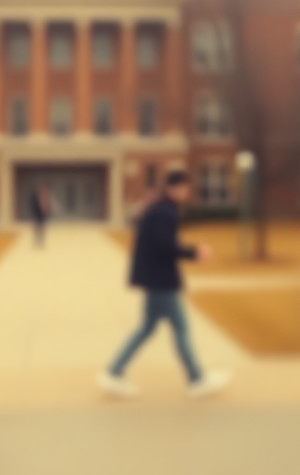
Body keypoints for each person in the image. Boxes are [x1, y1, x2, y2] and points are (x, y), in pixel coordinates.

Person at [99, 170, 231, 399]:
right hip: (161, 281)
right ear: (173, 189)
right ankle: (197, 379)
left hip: (155, 278)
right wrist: (195, 252)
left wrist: (190, 252)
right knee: (180, 328)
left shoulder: (159, 208)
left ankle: (114, 372)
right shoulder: (164, 212)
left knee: (147, 328)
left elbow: (160, 245)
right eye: (184, 187)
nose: (187, 192)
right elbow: (164, 246)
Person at [29, 185, 51, 249]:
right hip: (37, 216)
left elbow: (46, 207)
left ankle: (41, 242)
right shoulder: (35, 199)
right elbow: (33, 207)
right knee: (37, 229)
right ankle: (36, 242)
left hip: (42, 217)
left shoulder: (44, 198)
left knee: (41, 229)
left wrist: (46, 212)